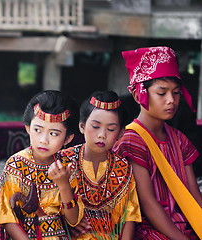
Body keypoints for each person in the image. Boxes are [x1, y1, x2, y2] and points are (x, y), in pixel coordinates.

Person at [113, 46, 202, 239]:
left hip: (186, 226)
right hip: (148, 230)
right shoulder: (131, 141)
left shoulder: (180, 140)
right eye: (161, 93)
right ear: (139, 95)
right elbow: (148, 203)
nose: (171, 100)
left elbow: (193, 194)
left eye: (176, 92)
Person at [0, 90, 84, 240]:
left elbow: (73, 220)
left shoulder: (67, 166)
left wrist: (63, 185)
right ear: (27, 128)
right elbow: (6, 218)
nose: (44, 140)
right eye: (37, 130)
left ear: (67, 138)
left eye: (54, 134)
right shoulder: (16, 164)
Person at [61, 91, 141, 239]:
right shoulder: (63, 161)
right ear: (82, 126)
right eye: (96, 126)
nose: (102, 135)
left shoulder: (123, 168)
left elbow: (129, 217)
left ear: (121, 133)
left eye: (110, 129)